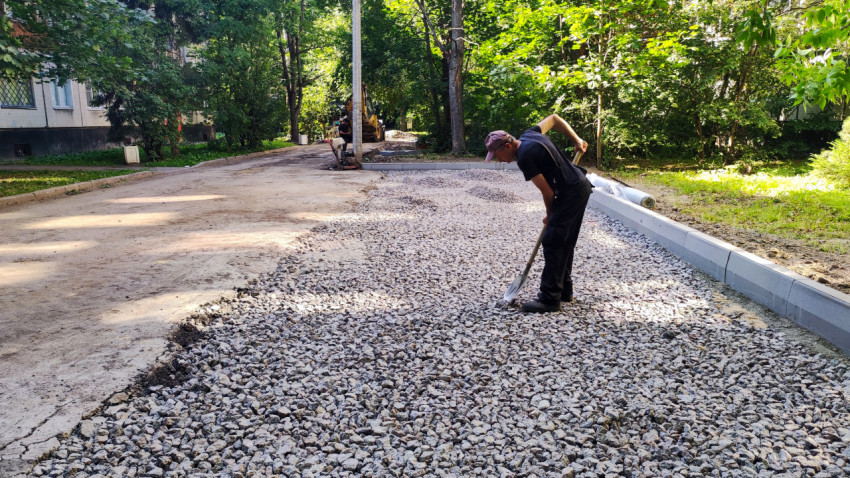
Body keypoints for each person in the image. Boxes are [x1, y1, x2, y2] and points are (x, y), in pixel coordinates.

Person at [485, 114, 591, 312]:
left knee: (553, 241)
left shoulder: (524, 157)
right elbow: (554, 118)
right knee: (564, 240)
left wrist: (550, 213)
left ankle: (550, 299)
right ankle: (564, 291)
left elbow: (547, 191)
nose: (499, 161)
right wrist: (576, 140)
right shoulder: (530, 135)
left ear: (507, 147)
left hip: (570, 193)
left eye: (497, 156)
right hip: (579, 186)